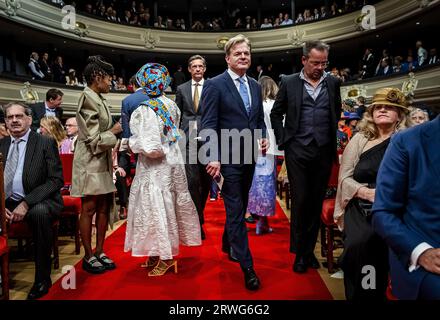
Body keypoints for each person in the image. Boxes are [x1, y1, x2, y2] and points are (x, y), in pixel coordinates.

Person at [201, 34, 268, 291]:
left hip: (249, 157)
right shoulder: (215, 85)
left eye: (246, 53)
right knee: (236, 210)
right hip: (226, 160)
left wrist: (262, 138)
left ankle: (228, 243)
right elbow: (208, 124)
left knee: (239, 202)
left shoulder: (255, 85)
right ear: (228, 58)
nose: (243, 57)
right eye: (238, 53)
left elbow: (259, 120)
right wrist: (213, 156)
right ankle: (247, 267)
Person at [270, 39, 342, 274]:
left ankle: (309, 250)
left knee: (314, 202)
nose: (320, 67)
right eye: (315, 63)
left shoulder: (332, 83)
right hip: (297, 150)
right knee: (300, 202)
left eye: (324, 63)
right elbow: (276, 113)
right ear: (303, 60)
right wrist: (284, 140)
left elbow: (336, 111)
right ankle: (300, 253)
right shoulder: (289, 82)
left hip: (323, 150)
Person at [333, 87, 412, 300]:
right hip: (362, 205)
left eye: (389, 107)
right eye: (378, 107)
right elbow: (344, 178)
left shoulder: (408, 140)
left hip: (397, 206)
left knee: (388, 253)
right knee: (360, 247)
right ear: (371, 112)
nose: (382, 110)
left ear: (400, 114)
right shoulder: (360, 139)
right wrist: (365, 192)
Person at [124, 63, 201, 276]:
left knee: (155, 208)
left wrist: (129, 144)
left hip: (156, 167)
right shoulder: (170, 105)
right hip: (172, 163)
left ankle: (165, 257)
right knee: (164, 208)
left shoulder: (145, 109)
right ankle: (156, 252)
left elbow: (152, 148)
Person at [372, 106, 440, 300]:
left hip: (381, 199)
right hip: (426, 245)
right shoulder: (407, 141)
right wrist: (423, 252)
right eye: (379, 107)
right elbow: (383, 210)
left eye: (422, 117)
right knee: (361, 243)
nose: (383, 111)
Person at [1, 102, 64, 300]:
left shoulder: (44, 142)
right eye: (10, 117)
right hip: (6, 202)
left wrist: (27, 203)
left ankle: (42, 279)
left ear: (29, 119)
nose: (15, 120)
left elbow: (56, 180)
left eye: (19, 116)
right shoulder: (1, 144)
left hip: (40, 199)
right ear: (5, 122)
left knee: (38, 214)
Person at [70, 55, 122, 274]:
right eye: (109, 78)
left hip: (101, 161)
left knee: (103, 207)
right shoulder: (87, 98)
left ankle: (100, 250)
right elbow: (93, 140)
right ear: (97, 77)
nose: (111, 82)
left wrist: (111, 134)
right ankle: (88, 255)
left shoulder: (98, 97)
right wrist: (115, 131)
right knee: (89, 208)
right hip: (90, 162)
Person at [175, 55, 211, 240]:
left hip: (208, 139)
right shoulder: (181, 89)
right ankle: (198, 220)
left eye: (200, 66)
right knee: (191, 182)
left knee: (206, 182)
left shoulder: (212, 87)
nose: (197, 69)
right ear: (189, 69)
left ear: (204, 69)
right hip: (187, 141)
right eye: (194, 66)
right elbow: (177, 115)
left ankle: (200, 212)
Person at [247, 76, 283, 235]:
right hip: (269, 149)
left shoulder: (255, 105)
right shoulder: (274, 105)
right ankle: (261, 220)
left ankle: (254, 215)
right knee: (266, 186)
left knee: (254, 184)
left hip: (254, 148)